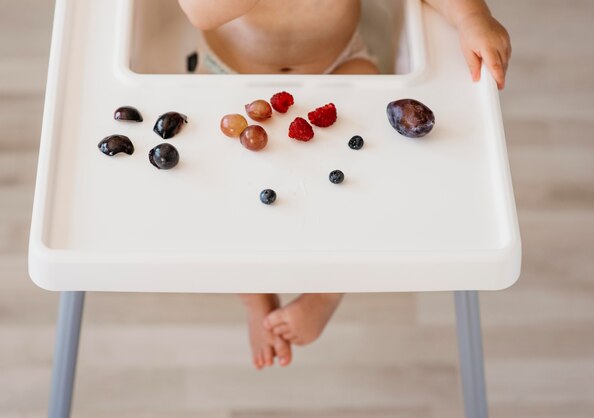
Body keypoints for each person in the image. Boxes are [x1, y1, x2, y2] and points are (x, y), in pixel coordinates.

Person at [177, 0, 511, 369]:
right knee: (223, 185)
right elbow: (200, 12)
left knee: (370, 166)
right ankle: (254, 296)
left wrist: (472, 17)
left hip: (339, 65)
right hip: (230, 74)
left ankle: (329, 289)